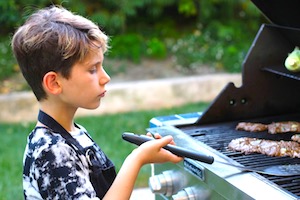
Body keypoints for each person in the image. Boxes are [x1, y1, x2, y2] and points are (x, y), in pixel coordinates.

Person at [11, 5, 183, 200]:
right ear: (54, 83)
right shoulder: (50, 151)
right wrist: (137, 159)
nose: (105, 78)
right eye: (93, 69)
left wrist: (145, 153)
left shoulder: (73, 134)